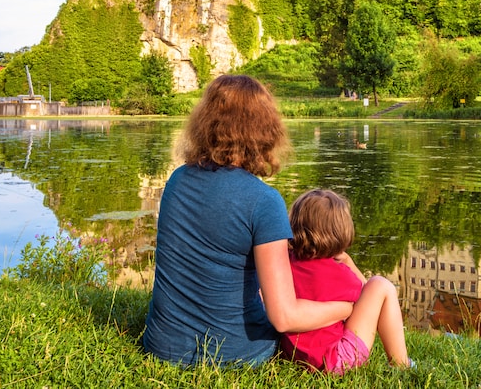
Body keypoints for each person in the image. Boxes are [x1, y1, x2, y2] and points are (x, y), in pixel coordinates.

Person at [142, 75, 352, 366]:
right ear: (265, 130)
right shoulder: (264, 201)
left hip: (161, 345)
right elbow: (284, 318)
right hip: (233, 354)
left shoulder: (177, 180)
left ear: (205, 122)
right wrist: (344, 308)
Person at [280, 189, 411, 374]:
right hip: (334, 361)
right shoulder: (337, 273)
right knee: (381, 285)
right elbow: (369, 299)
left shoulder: (285, 262)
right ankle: (401, 364)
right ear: (340, 232)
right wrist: (349, 263)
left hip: (295, 355)